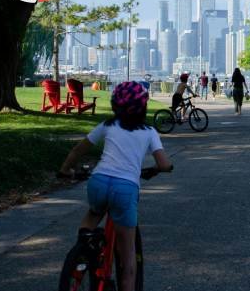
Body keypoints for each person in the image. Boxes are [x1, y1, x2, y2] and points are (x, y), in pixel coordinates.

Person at [58, 81, 172, 291]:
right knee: (128, 257)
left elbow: (78, 150)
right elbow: (163, 164)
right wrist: (162, 168)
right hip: (125, 188)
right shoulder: (148, 131)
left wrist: (65, 170)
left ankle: (85, 251)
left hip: (98, 182)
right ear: (143, 106)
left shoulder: (107, 125)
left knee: (93, 214)